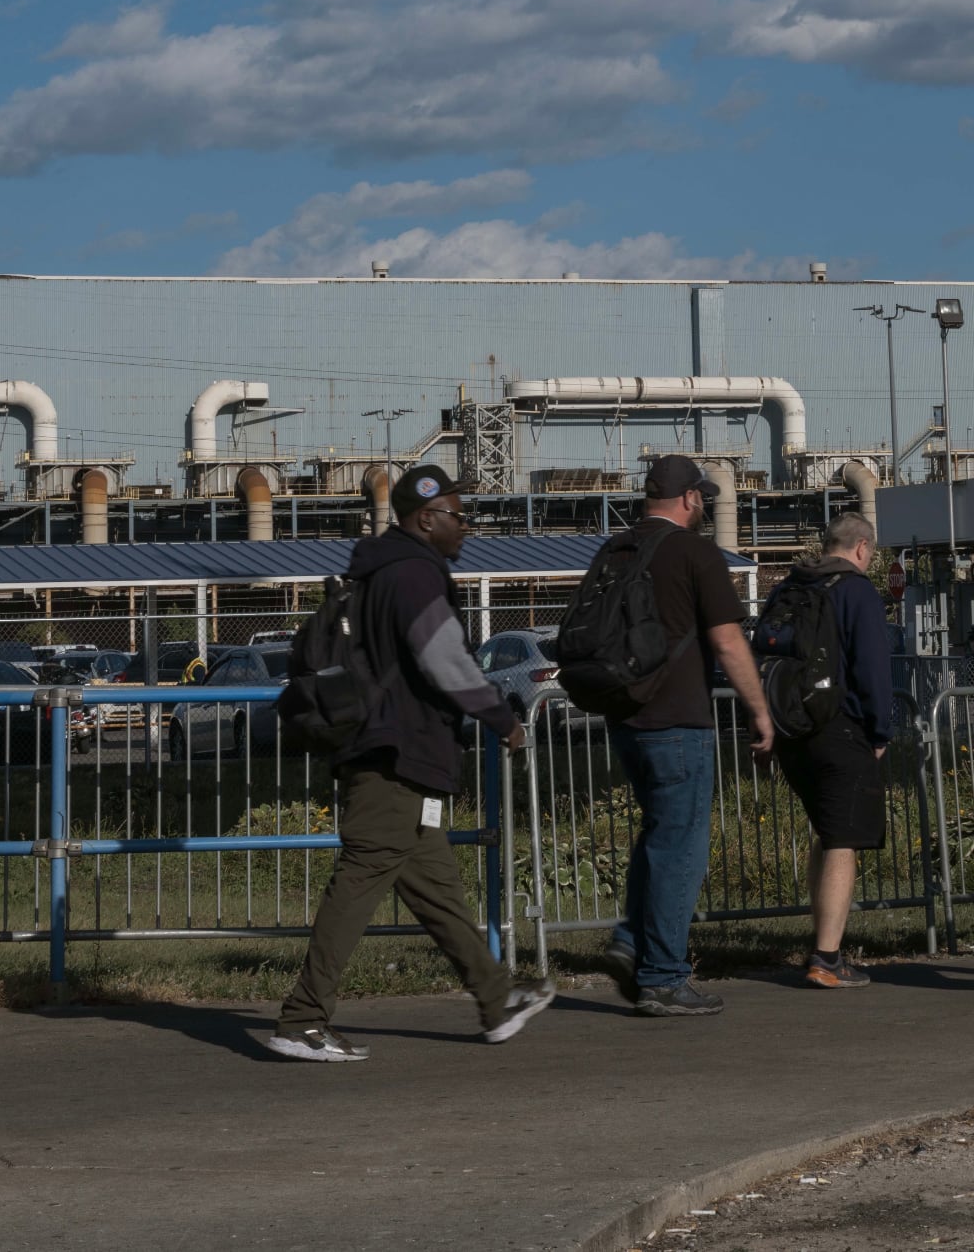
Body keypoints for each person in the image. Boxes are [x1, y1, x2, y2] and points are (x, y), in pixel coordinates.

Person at [263, 464, 554, 1060]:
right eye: (459, 515)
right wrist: (503, 719)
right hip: (393, 755)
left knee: (436, 886)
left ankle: (496, 1001)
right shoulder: (416, 574)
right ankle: (302, 1019)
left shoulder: (376, 572)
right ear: (427, 518)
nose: (465, 527)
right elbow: (446, 660)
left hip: (392, 753)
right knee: (360, 880)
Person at [594, 454, 775, 1018]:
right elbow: (726, 641)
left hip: (625, 718)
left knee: (657, 838)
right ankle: (663, 976)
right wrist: (759, 710)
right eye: (703, 498)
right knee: (682, 846)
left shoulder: (615, 549)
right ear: (692, 499)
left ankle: (630, 943)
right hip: (679, 721)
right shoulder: (696, 551)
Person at [758, 511, 898, 990]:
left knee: (826, 832)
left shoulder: (790, 587)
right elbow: (874, 667)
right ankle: (827, 957)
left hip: (794, 730)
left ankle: (821, 944)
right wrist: (881, 731)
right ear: (862, 549)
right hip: (842, 729)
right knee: (843, 841)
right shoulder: (856, 591)